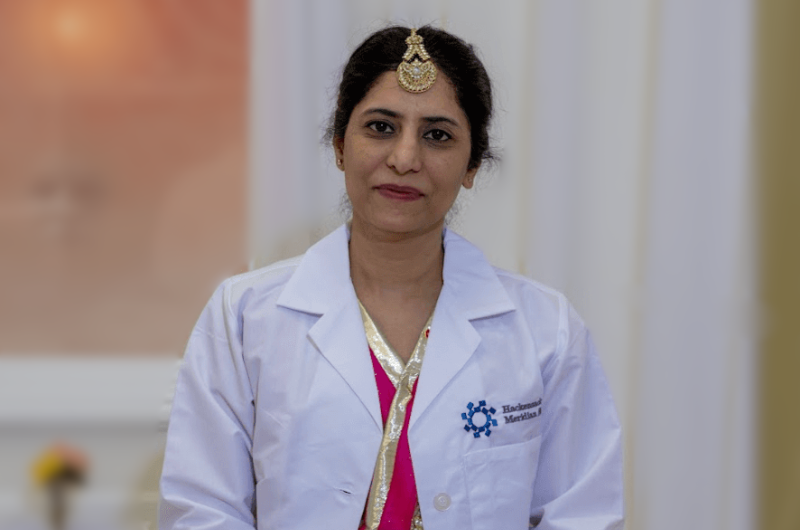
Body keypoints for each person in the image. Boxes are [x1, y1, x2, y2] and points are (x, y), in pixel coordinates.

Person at [158, 26, 623, 530]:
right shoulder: (246, 317)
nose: (405, 158)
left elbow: (583, 515)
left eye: (437, 135)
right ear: (339, 146)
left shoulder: (544, 331)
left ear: (471, 165)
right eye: (381, 127)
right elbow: (202, 511)